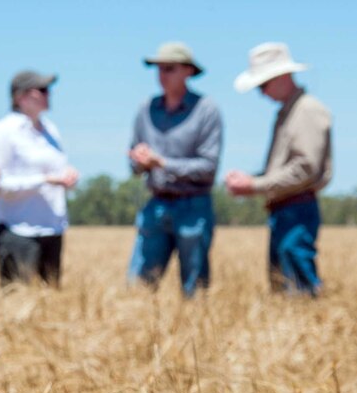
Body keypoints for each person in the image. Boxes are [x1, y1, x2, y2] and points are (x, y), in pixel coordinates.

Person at [225, 43, 332, 296]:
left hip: (296, 209)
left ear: (282, 76)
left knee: (298, 289)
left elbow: (306, 168)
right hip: (285, 209)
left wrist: (253, 185)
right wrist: (254, 179)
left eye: (263, 85)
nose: (261, 93)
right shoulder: (290, 112)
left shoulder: (307, 110)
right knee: (285, 286)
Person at [127, 42, 223, 298]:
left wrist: (163, 163)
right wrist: (139, 160)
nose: (162, 75)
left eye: (169, 68)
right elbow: (133, 163)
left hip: (194, 206)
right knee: (139, 286)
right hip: (156, 204)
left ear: (188, 71)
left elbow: (208, 167)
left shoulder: (206, 110)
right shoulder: (146, 109)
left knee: (195, 289)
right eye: (158, 69)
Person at [0, 71, 78, 287]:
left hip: (51, 227)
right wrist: (44, 180)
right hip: (18, 230)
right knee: (17, 298)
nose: (49, 95)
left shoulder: (50, 129)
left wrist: (68, 176)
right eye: (42, 90)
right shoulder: (3, 131)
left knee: (51, 303)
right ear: (20, 97)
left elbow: (58, 170)